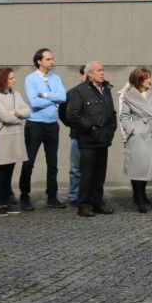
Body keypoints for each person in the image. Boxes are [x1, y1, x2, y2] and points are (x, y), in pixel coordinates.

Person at [64, 61, 117, 217]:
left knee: (100, 174)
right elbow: (73, 116)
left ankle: (98, 202)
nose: (102, 73)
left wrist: (112, 128)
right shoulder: (78, 91)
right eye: (99, 70)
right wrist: (91, 128)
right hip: (88, 140)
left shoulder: (106, 90)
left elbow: (111, 112)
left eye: (103, 69)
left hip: (104, 138)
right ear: (90, 74)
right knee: (87, 174)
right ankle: (84, 205)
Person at [119, 67, 152, 212]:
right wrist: (132, 129)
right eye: (147, 78)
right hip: (139, 136)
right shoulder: (128, 95)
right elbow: (124, 116)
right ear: (139, 80)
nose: (150, 80)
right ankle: (140, 200)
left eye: (150, 77)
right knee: (139, 168)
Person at [22, 48, 68, 210]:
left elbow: (63, 97)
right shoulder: (30, 79)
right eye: (48, 59)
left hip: (52, 125)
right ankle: (24, 195)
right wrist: (53, 99)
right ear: (39, 61)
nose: (52, 62)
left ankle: (52, 196)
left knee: (52, 162)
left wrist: (46, 96)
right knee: (29, 162)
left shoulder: (56, 78)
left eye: (52, 59)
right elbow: (34, 103)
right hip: (35, 124)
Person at [0, 67, 30, 216]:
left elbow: (28, 111)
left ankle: (6, 201)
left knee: (9, 171)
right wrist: (18, 114)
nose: (14, 80)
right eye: (11, 78)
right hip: (3, 137)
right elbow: (4, 117)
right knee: (1, 172)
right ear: (3, 79)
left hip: (15, 136)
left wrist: (16, 112)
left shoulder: (16, 94)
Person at [66, 65, 86, 207]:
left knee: (93, 168)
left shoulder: (101, 92)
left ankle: (89, 194)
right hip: (77, 135)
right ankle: (74, 195)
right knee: (75, 168)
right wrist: (71, 124)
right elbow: (64, 111)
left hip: (94, 137)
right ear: (81, 76)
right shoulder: (73, 92)